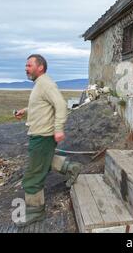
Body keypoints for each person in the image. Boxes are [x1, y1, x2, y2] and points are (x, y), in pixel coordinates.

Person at [14, 54, 82, 227]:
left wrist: (59, 128)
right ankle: (71, 168)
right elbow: (41, 105)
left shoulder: (46, 84)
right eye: (26, 65)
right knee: (44, 160)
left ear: (40, 67)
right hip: (39, 135)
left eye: (29, 65)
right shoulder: (40, 84)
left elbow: (60, 104)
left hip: (43, 136)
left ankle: (36, 211)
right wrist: (26, 110)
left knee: (33, 174)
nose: (26, 68)